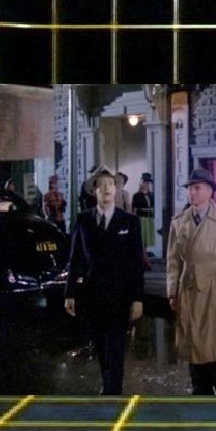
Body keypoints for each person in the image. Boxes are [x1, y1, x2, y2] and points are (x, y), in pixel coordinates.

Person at [64, 168, 144, 395]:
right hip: (93, 294)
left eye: (111, 184)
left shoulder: (129, 221)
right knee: (100, 344)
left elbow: (136, 263)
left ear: (116, 189)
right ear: (94, 191)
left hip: (120, 296)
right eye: (102, 184)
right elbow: (75, 259)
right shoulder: (83, 220)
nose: (107, 188)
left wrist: (137, 298)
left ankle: (113, 390)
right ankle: (107, 383)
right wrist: (70, 293)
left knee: (116, 344)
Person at [166, 168, 216, 395]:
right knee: (194, 350)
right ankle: (201, 398)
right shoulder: (179, 222)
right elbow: (173, 261)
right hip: (189, 289)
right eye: (190, 188)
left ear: (210, 191)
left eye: (197, 188)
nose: (192, 192)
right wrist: (172, 291)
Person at [132, 173, 155, 269]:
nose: (146, 184)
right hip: (141, 219)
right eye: (145, 182)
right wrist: (134, 221)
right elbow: (134, 210)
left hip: (149, 220)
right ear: (141, 183)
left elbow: (152, 207)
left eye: (148, 183)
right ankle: (145, 261)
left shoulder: (151, 195)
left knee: (146, 242)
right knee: (141, 241)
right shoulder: (137, 195)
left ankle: (144, 261)